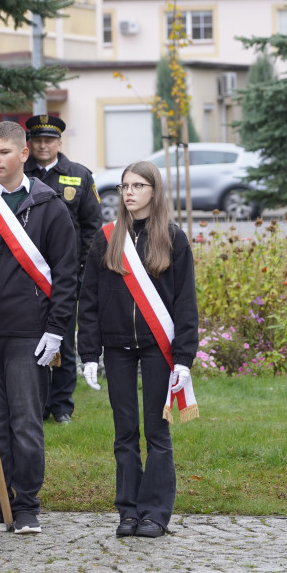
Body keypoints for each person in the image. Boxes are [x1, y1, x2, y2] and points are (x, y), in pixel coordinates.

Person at [0, 121, 78, 535]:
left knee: (25, 421)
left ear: (24, 154)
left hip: (30, 331)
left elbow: (66, 272)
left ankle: (26, 506)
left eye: (3, 152)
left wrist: (57, 329)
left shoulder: (50, 205)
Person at [77, 160, 199, 539]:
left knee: (157, 432)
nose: (129, 193)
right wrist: (88, 353)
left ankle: (155, 514)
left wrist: (184, 358)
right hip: (116, 347)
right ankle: (128, 511)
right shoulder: (107, 238)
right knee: (124, 431)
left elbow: (185, 304)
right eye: (125, 187)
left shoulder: (174, 239)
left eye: (138, 186)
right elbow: (90, 299)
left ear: (154, 192)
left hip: (157, 348)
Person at [0, 115, 102, 424]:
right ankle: (36, 405)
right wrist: (6, 134)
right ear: (28, 146)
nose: (43, 145)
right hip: (21, 278)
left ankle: (62, 405)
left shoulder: (78, 175)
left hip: (62, 275)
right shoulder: (15, 171)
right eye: (37, 140)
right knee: (33, 349)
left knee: (61, 342)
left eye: (49, 140)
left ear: (59, 144)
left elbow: (91, 229)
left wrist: (80, 275)